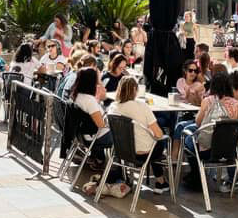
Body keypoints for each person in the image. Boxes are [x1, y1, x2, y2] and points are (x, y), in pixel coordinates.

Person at [179, 71, 238, 189]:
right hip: (228, 149)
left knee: (188, 140)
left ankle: (196, 176)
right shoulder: (236, 104)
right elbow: (233, 124)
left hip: (208, 150)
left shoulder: (208, 101)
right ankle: (196, 176)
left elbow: (198, 122)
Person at [72, 67, 128, 195]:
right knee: (124, 137)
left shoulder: (78, 95)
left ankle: (118, 172)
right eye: (97, 79)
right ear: (91, 81)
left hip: (84, 136)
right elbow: (101, 124)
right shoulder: (89, 100)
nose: (99, 82)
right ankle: (119, 174)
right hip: (97, 137)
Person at [108, 75, 170, 192]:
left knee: (152, 142)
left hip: (121, 151)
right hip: (143, 152)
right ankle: (160, 181)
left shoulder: (113, 107)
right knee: (160, 141)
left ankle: (160, 181)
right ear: (135, 90)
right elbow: (159, 134)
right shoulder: (142, 106)